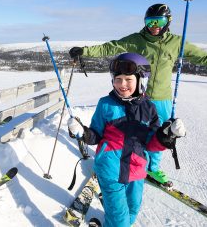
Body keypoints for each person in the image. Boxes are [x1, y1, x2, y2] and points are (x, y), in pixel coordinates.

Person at [69, 3, 207, 185]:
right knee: (130, 132)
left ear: (168, 21)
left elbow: (205, 57)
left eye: (158, 21)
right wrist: (85, 51)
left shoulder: (176, 42)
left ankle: (153, 167)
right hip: (137, 97)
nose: (154, 26)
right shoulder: (137, 39)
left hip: (161, 98)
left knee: (160, 133)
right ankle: (127, 161)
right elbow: (111, 47)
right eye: (150, 22)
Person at [68, 52, 186, 227]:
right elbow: (95, 135)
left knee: (132, 210)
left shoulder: (149, 109)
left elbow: (151, 143)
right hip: (110, 171)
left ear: (141, 80)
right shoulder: (106, 104)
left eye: (128, 79)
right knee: (120, 221)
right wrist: (82, 132)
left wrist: (167, 135)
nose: (122, 84)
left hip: (137, 172)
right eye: (118, 79)